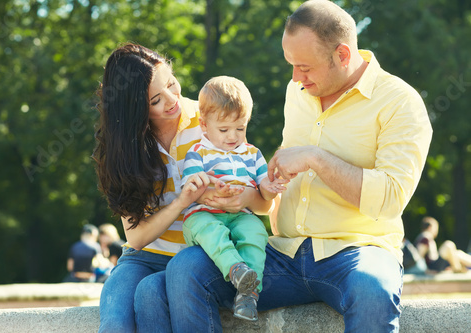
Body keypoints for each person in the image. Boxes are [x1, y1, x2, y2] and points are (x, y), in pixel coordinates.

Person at [134, 1, 433, 332]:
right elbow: (279, 173)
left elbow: (390, 198)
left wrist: (314, 158)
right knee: (186, 268)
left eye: (304, 67)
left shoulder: (400, 103)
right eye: (292, 65)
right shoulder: (299, 89)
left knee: (373, 290)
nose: (295, 77)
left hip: (355, 253)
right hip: (283, 253)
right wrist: (247, 192)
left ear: (343, 56)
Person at [93, 43, 272, 332]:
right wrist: (181, 201)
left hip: (198, 254)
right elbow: (136, 238)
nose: (172, 100)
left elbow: (259, 195)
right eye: (155, 101)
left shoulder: (211, 119)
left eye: (171, 84)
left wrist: (238, 196)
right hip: (144, 256)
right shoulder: (125, 148)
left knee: (150, 294)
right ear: (134, 109)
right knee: (115, 321)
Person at [181, 76, 288, 321]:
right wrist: (211, 187)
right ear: (204, 125)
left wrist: (271, 187)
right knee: (210, 231)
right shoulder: (198, 153)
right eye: (224, 129)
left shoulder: (252, 153)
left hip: (241, 215)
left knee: (256, 233)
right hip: (204, 214)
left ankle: (249, 293)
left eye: (240, 128)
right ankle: (236, 269)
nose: (233, 136)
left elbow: (264, 190)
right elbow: (190, 187)